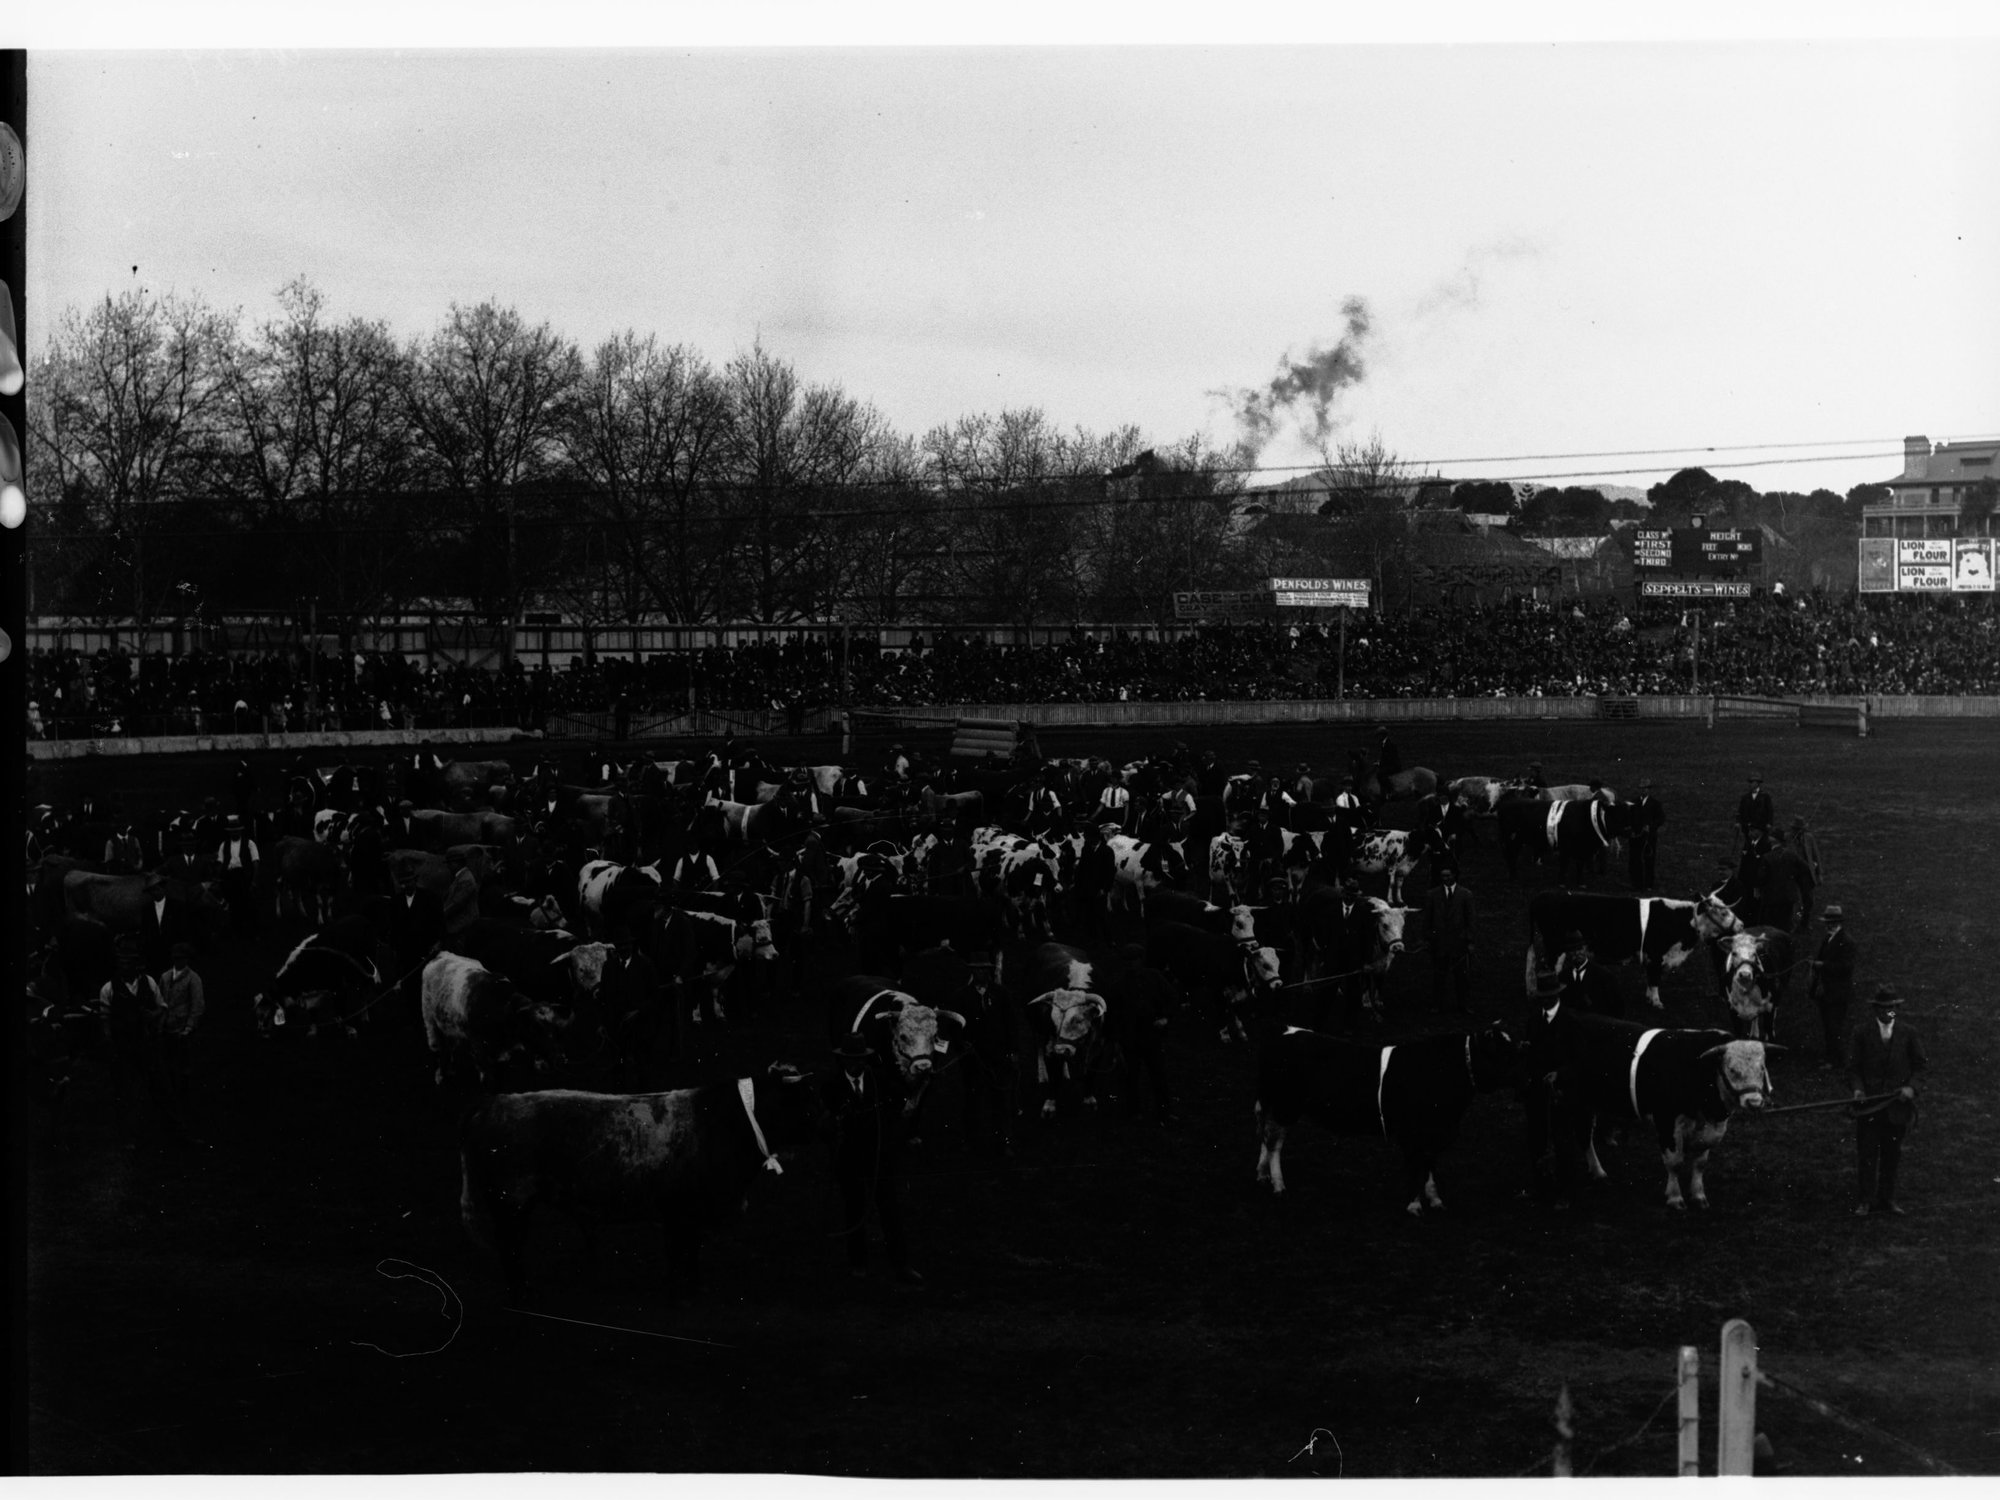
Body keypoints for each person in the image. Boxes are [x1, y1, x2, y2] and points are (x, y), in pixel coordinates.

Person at [825, 1031, 922, 1284]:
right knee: (854, 1211)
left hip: (879, 1158)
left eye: (860, 1058)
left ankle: (901, 1265)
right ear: (843, 1060)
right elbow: (827, 1127)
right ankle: (858, 1264)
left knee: (890, 1211)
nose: (856, 1064)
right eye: (851, 1059)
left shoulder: (880, 1081)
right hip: (850, 1161)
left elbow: (899, 1107)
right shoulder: (831, 1087)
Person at [1847, 986, 1926, 1217]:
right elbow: (1852, 1068)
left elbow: (1921, 1066)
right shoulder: (1861, 1032)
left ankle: (1887, 1199)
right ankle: (1865, 1200)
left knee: (1892, 1155)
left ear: (1897, 1009)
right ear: (1875, 1009)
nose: (1888, 1012)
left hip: (1897, 1108)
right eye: (1884, 1008)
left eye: (1892, 1008)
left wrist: (1911, 1088)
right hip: (1869, 1107)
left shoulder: (1908, 1033)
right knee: (1867, 1154)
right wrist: (1858, 1090)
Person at [156, 942, 206, 1122]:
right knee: (168, 1065)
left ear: (187, 959)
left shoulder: (193, 979)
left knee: (184, 1066)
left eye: (182, 958)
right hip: (167, 1029)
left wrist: (189, 1028)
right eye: (176, 958)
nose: (178, 961)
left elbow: (198, 1006)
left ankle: (184, 1100)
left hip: (183, 1030)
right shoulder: (165, 977)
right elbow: (160, 1001)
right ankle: (171, 1098)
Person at [1422, 858, 1476, 1013]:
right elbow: (1427, 919)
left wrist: (1470, 941)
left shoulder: (1466, 895)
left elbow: (1471, 920)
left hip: (1459, 943)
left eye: (1448, 876)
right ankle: (1436, 1005)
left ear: (1454, 876)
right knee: (1439, 975)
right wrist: (1427, 938)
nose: (1445, 879)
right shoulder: (1432, 895)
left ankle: (1463, 1005)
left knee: (1462, 977)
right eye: (1443, 876)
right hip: (1439, 943)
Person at [1808, 904, 1856, 1070]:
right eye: (1828, 922)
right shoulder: (1829, 937)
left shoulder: (1846, 942)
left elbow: (1846, 967)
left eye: (1833, 922)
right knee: (1828, 1025)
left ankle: (1836, 1060)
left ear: (1840, 922)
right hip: (1827, 991)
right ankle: (1831, 1057)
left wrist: (1822, 965)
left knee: (1834, 1026)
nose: (1830, 925)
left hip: (1838, 992)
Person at [1552, 930, 1620, 1018]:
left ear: (1585, 949)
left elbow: (1616, 1009)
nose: (1577, 953)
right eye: (1572, 950)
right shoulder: (1562, 978)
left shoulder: (1603, 976)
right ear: (1567, 953)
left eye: (1579, 949)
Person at [215, 813, 261, 932]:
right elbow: (220, 863)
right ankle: (235, 929)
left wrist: (254, 881)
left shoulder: (250, 843)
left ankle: (251, 930)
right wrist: (218, 879)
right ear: (229, 831)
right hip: (229, 877)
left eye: (236, 830)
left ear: (240, 831)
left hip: (244, 876)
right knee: (233, 904)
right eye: (232, 830)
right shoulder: (224, 845)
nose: (234, 832)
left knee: (247, 904)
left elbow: (255, 862)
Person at [1626, 776, 1665, 889]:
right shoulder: (1634, 802)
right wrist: (1631, 830)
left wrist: (1651, 827)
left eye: (1646, 788)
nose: (1643, 790)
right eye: (1642, 788)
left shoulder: (1655, 803)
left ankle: (1648, 884)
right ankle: (1635, 883)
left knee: (1649, 860)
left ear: (1649, 789)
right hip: (1635, 836)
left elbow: (1661, 818)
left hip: (1649, 837)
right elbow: (1629, 817)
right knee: (1634, 859)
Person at [1736, 772, 1775, 852]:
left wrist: (1769, 823)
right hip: (1748, 827)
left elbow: (1770, 811)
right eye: (1750, 782)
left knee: (1761, 846)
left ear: (1758, 784)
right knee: (1748, 846)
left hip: (1761, 826)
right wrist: (1738, 822)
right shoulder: (1745, 797)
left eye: (1753, 782)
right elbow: (1740, 811)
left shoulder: (1765, 797)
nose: (1751, 784)